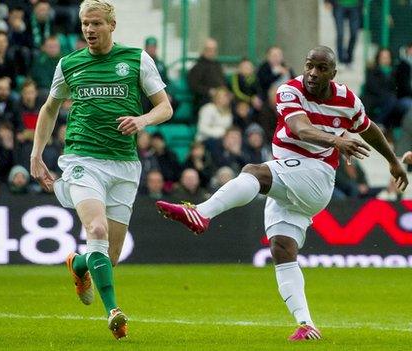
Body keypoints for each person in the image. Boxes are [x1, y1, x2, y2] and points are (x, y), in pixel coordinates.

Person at [156, 46, 408, 341]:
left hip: (316, 175)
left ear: (333, 73)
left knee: (254, 171)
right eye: (309, 65)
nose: (313, 73)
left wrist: (392, 161)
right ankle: (306, 324)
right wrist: (335, 140)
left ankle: (200, 213)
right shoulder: (290, 90)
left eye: (321, 68)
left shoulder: (347, 100)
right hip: (290, 175)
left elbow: (368, 128)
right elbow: (299, 128)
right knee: (282, 248)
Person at [30, 0, 172, 340]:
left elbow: (165, 107)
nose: (89, 30)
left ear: (111, 25)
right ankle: (114, 312)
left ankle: (79, 265)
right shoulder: (69, 64)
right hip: (82, 159)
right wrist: (37, 154)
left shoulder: (137, 59)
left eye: (96, 24)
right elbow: (49, 109)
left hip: (124, 164)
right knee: (96, 229)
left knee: (110, 256)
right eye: (84, 25)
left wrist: (142, 119)